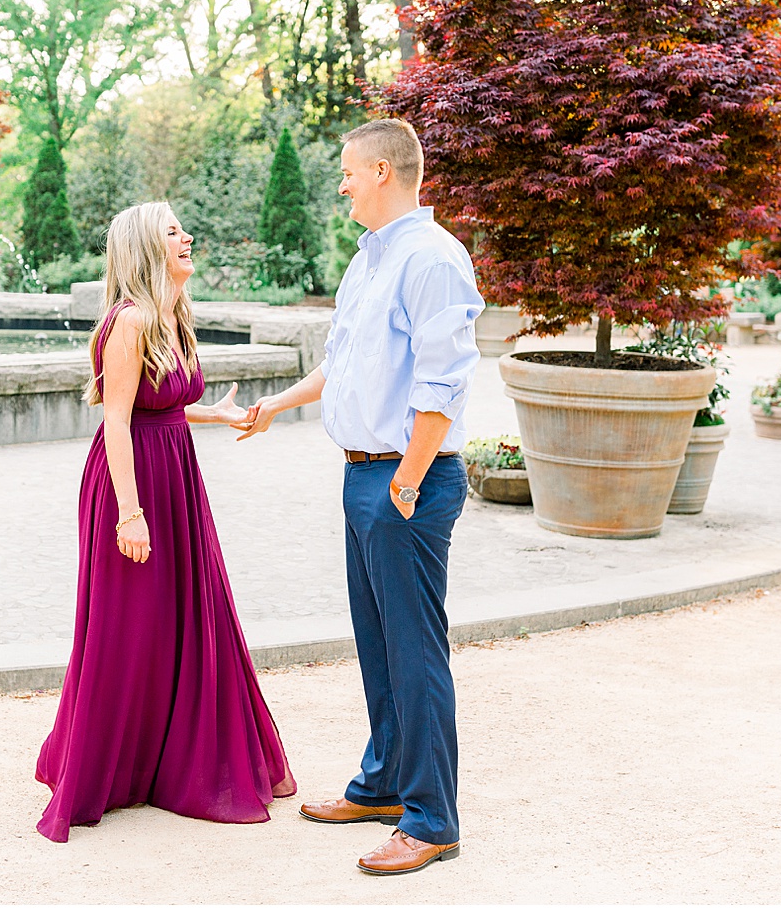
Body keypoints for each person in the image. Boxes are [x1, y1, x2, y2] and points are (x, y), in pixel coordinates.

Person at [234, 118, 482, 876]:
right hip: (364, 474)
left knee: (415, 651)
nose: (340, 184)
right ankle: (382, 785)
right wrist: (277, 402)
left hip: (406, 479)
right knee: (380, 647)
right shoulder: (369, 260)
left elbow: (445, 380)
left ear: (381, 171)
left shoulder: (434, 259)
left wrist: (405, 480)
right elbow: (342, 367)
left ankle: (432, 818)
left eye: (347, 171)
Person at [34, 201, 296, 843]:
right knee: (127, 626)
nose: (186, 237)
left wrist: (215, 416)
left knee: (184, 616)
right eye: (172, 232)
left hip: (174, 475)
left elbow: (166, 405)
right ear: (147, 250)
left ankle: (159, 766)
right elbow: (118, 420)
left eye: (182, 228)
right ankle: (105, 771)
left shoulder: (173, 315)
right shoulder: (129, 322)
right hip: (134, 486)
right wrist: (130, 513)